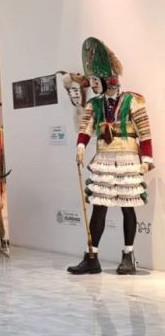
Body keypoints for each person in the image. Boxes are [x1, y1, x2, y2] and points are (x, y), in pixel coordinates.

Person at [67, 37, 154, 275]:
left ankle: (128, 255)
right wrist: (81, 146)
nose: (93, 85)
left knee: (128, 208)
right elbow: (86, 128)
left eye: (96, 80)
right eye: (92, 80)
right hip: (104, 159)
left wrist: (146, 159)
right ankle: (92, 255)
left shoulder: (132, 101)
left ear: (108, 80)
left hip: (127, 158)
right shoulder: (94, 105)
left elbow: (145, 132)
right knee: (99, 206)